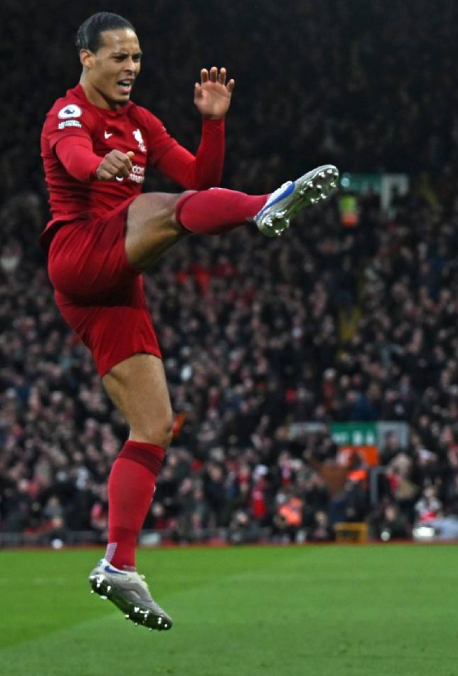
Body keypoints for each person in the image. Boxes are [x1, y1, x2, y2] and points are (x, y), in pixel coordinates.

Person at [48, 13, 339, 630]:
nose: (130, 67)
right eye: (118, 57)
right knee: (161, 209)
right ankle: (266, 205)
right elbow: (73, 155)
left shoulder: (141, 122)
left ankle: (119, 564)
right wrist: (95, 169)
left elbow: (201, 180)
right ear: (86, 59)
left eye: (136, 57)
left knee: (153, 427)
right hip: (79, 250)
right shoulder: (69, 112)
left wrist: (213, 124)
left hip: (113, 281)